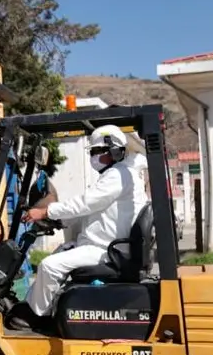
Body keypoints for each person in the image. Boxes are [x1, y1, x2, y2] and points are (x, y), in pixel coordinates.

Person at [9, 125, 149, 330]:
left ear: (114, 151)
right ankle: (34, 306)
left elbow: (86, 203)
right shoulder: (120, 175)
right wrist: (61, 220)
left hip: (107, 250)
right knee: (59, 252)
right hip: (106, 245)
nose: (92, 157)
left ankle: (37, 317)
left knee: (49, 265)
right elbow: (93, 210)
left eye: (95, 152)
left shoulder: (118, 176)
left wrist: (46, 212)